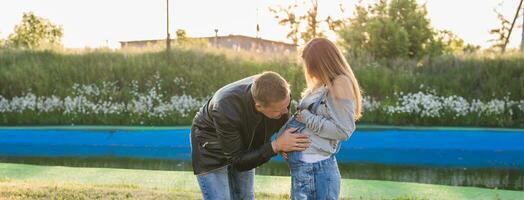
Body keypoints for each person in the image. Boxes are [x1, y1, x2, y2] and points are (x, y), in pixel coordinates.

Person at [190, 71, 311, 200]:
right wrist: (276, 145)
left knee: (245, 196)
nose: (286, 111)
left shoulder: (280, 93)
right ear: (258, 106)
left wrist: (284, 141)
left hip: (244, 138)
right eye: (279, 109)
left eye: (286, 105)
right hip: (210, 145)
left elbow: (282, 121)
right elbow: (238, 161)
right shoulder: (225, 107)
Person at [278, 38, 362, 199]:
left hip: (317, 170)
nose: (308, 70)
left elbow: (343, 130)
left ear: (321, 63)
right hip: (304, 168)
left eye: (310, 64)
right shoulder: (321, 85)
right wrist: (284, 141)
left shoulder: (340, 83)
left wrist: (307, 118)